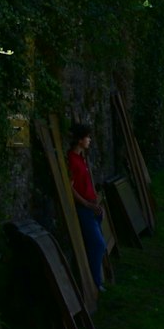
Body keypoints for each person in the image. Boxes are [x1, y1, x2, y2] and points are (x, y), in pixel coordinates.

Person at [66, 122, 104, 292]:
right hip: (84, 209)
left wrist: (94, 200)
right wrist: (87, 203)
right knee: (98, 245)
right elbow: (70, 188)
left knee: (94, 246)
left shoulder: (82, 158)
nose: (90, 140)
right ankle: (94, 283)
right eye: (87, 137)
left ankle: (94, 280)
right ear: (80, 140)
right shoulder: (72, 160)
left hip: (92, 207)